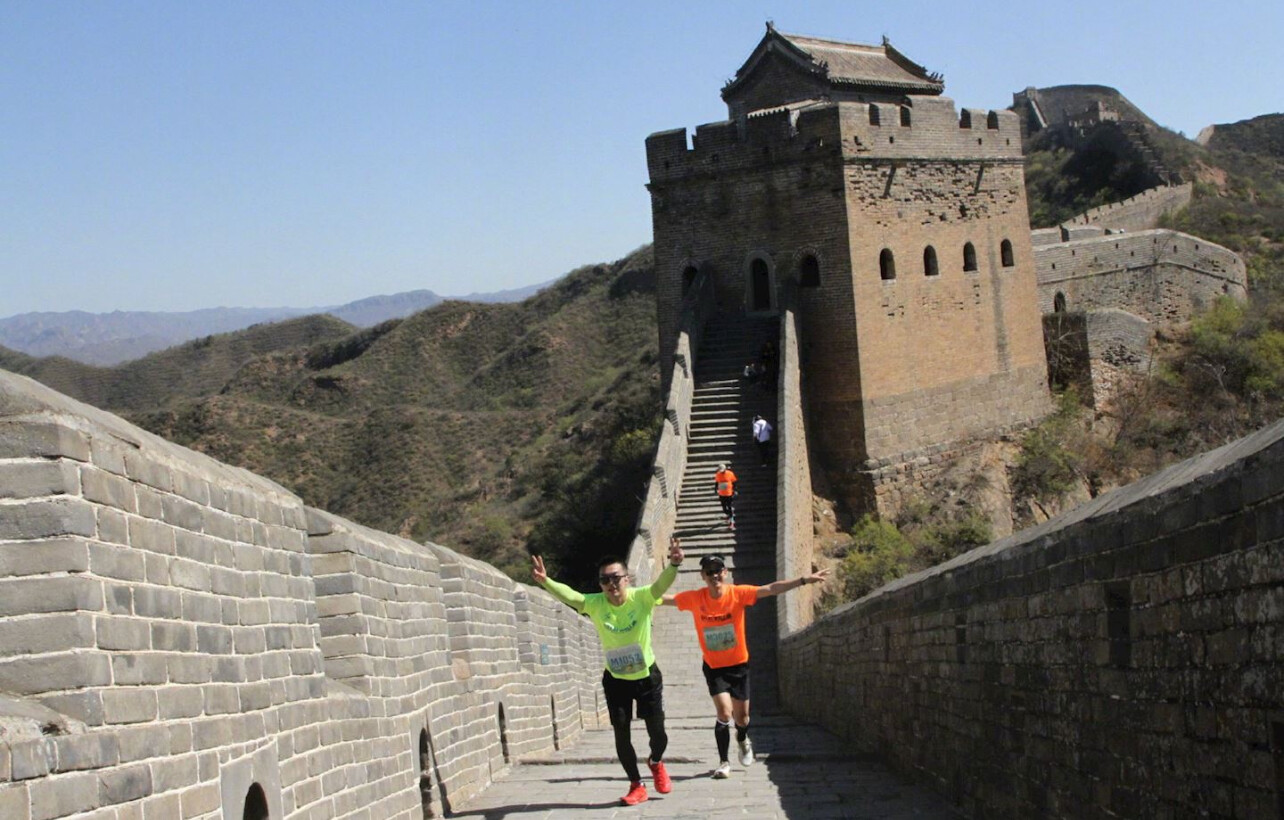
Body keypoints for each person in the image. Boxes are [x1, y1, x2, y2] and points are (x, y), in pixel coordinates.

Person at [531, 539, 684, 806]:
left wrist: (673, 565)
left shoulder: (642, 597)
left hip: (647, 677)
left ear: (627, 579)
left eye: (615, 578)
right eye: (604, 580)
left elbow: (661, 585)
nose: (611, 584)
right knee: (621, 735)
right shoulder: (596, 604)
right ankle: (637, 784)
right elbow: (572, 597)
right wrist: (546, 581)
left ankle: (656, 761)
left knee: (658, 734)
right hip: (616, 680)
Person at [662, 551, 830, 778]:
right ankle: (724, 762)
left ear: (725, 572)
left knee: (742, 718)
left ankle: (742, 738)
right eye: (709, 572)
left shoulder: (737, 594)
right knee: (724, 713)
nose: (714, 576)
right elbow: (663, 599)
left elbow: (770, 589)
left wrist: (802, 580)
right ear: (702, 576)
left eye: (717, 571)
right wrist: (631, 594)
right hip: (714, 667)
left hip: (738, 666)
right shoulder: (695, 598)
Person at [713, 462, 737, 531]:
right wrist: (715, 489)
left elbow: (734, 482)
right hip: (722, 493)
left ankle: (732, 522)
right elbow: (717, 482)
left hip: (729, 493)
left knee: (729, 507)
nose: (721, 472)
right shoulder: (718, 474)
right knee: (724, 508)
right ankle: (729, 515)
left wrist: (735, 490)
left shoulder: (730, 473)